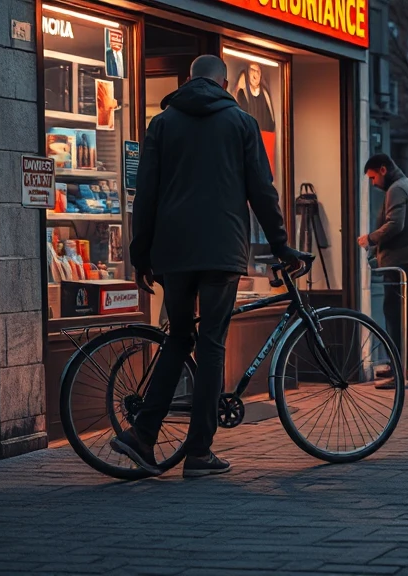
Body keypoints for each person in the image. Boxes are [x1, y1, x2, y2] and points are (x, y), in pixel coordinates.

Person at [115, 54, 302, 478]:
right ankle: (198, 452)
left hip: (173, 252)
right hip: (221, 251)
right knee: (212, 343)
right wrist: (281, 245)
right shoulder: (240, 123)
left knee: (180, 338)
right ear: (222, 83)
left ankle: (142, 435)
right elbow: (262, 191)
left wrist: (140, 255)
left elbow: (144, 196)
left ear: (188, 80)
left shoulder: (161, 124)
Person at [358, 154, 408, 381]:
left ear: (383, 170)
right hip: (407, 259)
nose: (373, 183)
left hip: (397, 261)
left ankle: (398, 368)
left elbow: (395, 224)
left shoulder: (396, 189)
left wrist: (371, 238)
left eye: (373, 177)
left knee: (394, 315)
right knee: (404, 313)